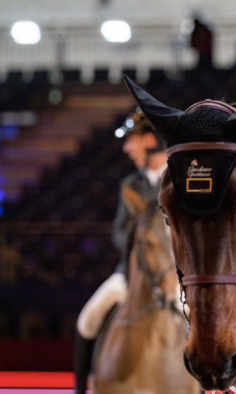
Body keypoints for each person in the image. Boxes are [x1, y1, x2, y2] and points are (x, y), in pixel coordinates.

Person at [74, 110, 168, 394]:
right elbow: (119, 231)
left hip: (175, 278)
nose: (127, 148)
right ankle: (81, 388)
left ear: (150, 139)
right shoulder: (131, 185)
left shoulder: (179, 181)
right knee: (87, 319)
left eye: (132, 140)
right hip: (132, 275)